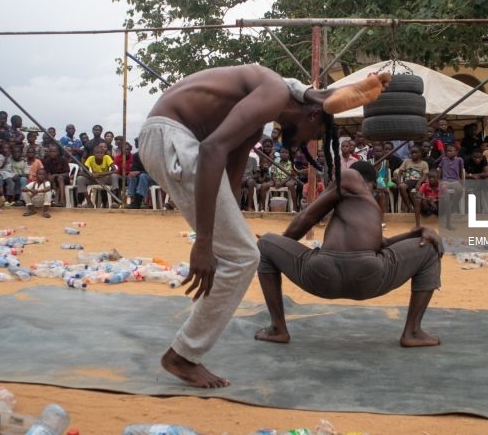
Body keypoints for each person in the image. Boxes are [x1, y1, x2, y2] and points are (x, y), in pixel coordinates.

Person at [137, 64, 390, 388]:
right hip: (173, 138)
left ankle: (186, 351)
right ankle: (183, 356)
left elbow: (228, 181)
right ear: (313, 114)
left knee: (237, 252)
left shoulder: (258, 117)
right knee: (245, 256)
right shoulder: (273, 91)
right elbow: (211, 149)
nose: (302, 144)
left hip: (169, 139)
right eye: (313, 136)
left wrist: (217, 236)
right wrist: (204, 240)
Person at [255, 161, 442, 349]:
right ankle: (413, 332)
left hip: (322, 275)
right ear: (375, 185)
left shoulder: (349, 177)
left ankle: (278, 329)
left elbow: (308, 217)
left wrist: (284, 243)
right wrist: (419, 233)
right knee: (430, 248)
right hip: (369, 279)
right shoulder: (369, 206)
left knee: (266, 244)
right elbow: (382, 246)